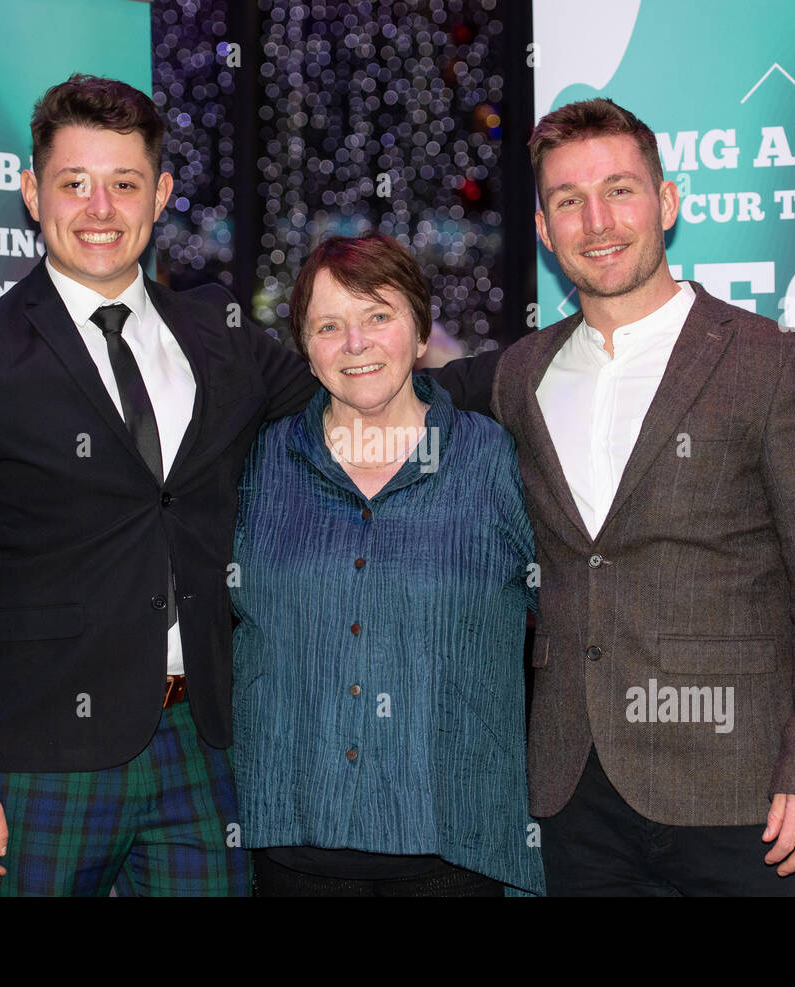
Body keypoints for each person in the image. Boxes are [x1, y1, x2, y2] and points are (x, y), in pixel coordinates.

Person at [0, 74, 322, 895]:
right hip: (35, 759)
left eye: (123, 184)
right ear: (31, 191)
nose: (99, 208)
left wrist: (498, 387)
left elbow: (347, 398)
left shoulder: (220, 332)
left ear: (158, 195)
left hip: (204, 748)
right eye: (73, 183)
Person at [490, 97, 795, 895]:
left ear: (667, 203)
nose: (597, 220)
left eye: (620, 190)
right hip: (578, 796)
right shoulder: (519, 375)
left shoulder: (772, 362)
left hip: (747, 797)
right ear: (543, 226)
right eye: (569, 200)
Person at [231, 234, 542, 896]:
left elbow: (579, 612)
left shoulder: (499, 461)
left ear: (422, 329)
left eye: (379, 315)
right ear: (306, 351)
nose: (355, 342)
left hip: (457, 847)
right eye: (329, 325)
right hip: (289, 844)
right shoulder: (255, 465)